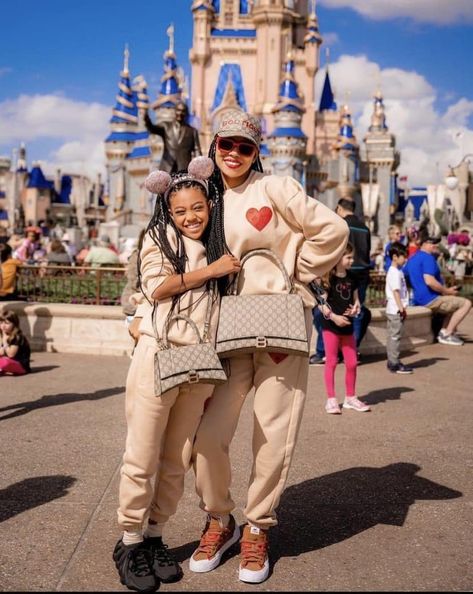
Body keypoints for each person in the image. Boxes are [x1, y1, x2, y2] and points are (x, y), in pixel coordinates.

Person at [189, 110, 349, 584]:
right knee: (207, 435)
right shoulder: (208, 196)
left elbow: (333, 230)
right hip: (227, 329)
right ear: (213, 146)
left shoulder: (276, 188)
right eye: (226, 145)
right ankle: (220, 518)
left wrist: (296, 272)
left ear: (258, 151)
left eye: (245, 147)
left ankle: (258, 524)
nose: (234, 154)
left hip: (279, 326)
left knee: (273, 432)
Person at [113, 157, 241, 593]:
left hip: (199, 363)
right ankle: (129, 541)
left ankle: (154, 536)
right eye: (181, 210)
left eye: (197, 208)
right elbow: (156, 289)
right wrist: (213, 270)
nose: (190, 217)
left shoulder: (220, 239)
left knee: (176, 459)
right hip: (158, 356)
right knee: (143, 454)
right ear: (168, 210)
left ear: (210, 204)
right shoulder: (159, 237)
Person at [316, 242, 370, 414]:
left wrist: (356, 309)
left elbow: (356, 301)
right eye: (348, 257)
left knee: (352, 362)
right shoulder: (327, 278)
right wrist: (334, 317)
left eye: (352, 257)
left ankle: (350, 398)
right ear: (338, 258)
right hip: (330, 326)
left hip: (347, 326)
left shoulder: (353, 278)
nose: (352, 260)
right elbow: (321, 304)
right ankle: (331, 399)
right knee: (331, 361)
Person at [404, 231, 471, 346]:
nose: (435, 245)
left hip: (418, 299)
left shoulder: (412, 258)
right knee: (466, 303)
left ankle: (445, 330)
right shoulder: (428, 258)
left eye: (436, 243)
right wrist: (446, 291)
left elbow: (405, 277)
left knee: (453, 302)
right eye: (432, 243)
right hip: (431, 299)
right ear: (424, 244)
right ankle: (446, 334)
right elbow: (429, 281)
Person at [335, 197, 372, 355]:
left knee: (337, 309)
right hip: (362, 273)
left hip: (345, 273)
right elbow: (368, 251)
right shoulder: (365, 228)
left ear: (340, 209)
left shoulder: (341, 226)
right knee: (357, 310)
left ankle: (336, 349)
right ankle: (352, 348)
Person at [144, 101, 202, 174]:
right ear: (175, 111)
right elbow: (152, 129)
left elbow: (197, 150)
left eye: (183, 111)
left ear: (186, 113)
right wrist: (146, 119)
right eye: (178, 110)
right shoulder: (166, 126)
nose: (180, 113)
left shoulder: (192, 131)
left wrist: (200, 165)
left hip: (184, 169)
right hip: (167, 168)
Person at [385, 242, 413, 374]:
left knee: (393, 336)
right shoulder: (394, 272)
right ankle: (394, 363)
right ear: (395, 257)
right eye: (403, 256)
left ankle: (392, 361)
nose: (405, 259)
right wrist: (401, 308)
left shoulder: (396, 271)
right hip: (396, 309)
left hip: (394, 308)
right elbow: (396, 292)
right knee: (395, 337)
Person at [0, 309, 31, 375]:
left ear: (14, 324)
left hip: (20, 365)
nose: (3, 326)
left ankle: (4, 369)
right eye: (1, 323)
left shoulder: (17, 337)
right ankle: (4, 369)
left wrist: (5, 341)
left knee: (5, 362)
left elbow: (11, 354)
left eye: (7, 323)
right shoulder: (4, 334)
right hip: (8, 361)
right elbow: (2, 352)